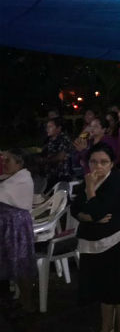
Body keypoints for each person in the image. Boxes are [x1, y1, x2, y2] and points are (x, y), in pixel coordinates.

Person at [70, 143, 120, 332]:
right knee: (104, 290)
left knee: (116, 291)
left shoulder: (115, 183)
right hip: (90, 242)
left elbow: (97, 210)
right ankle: (106, 327)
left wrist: (90, 191)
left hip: (111, 242)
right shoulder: (89, 180)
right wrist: (87, 216)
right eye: (94, 162)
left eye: (104, 162)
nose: (98, 166)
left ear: (112, 164)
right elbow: (75, 209)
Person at [0, 149, 36, 313]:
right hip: (8, 224)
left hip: (16, 226)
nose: (4, 164)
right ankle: (18, 300)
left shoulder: (23, 179)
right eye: (4, 160)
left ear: (19, 163)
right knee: (12, 262)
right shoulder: (12, 177)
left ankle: (27, 303)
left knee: (21, 264)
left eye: (8, 160)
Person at [41, 117, 73, 186]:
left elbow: (60, 157)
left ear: (58, 128)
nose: (47, 129)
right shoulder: (48, 139)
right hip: (50, 174)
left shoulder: (64, 139)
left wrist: (44, 161)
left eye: (50, 127)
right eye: (47, 127)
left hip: (61, 175)